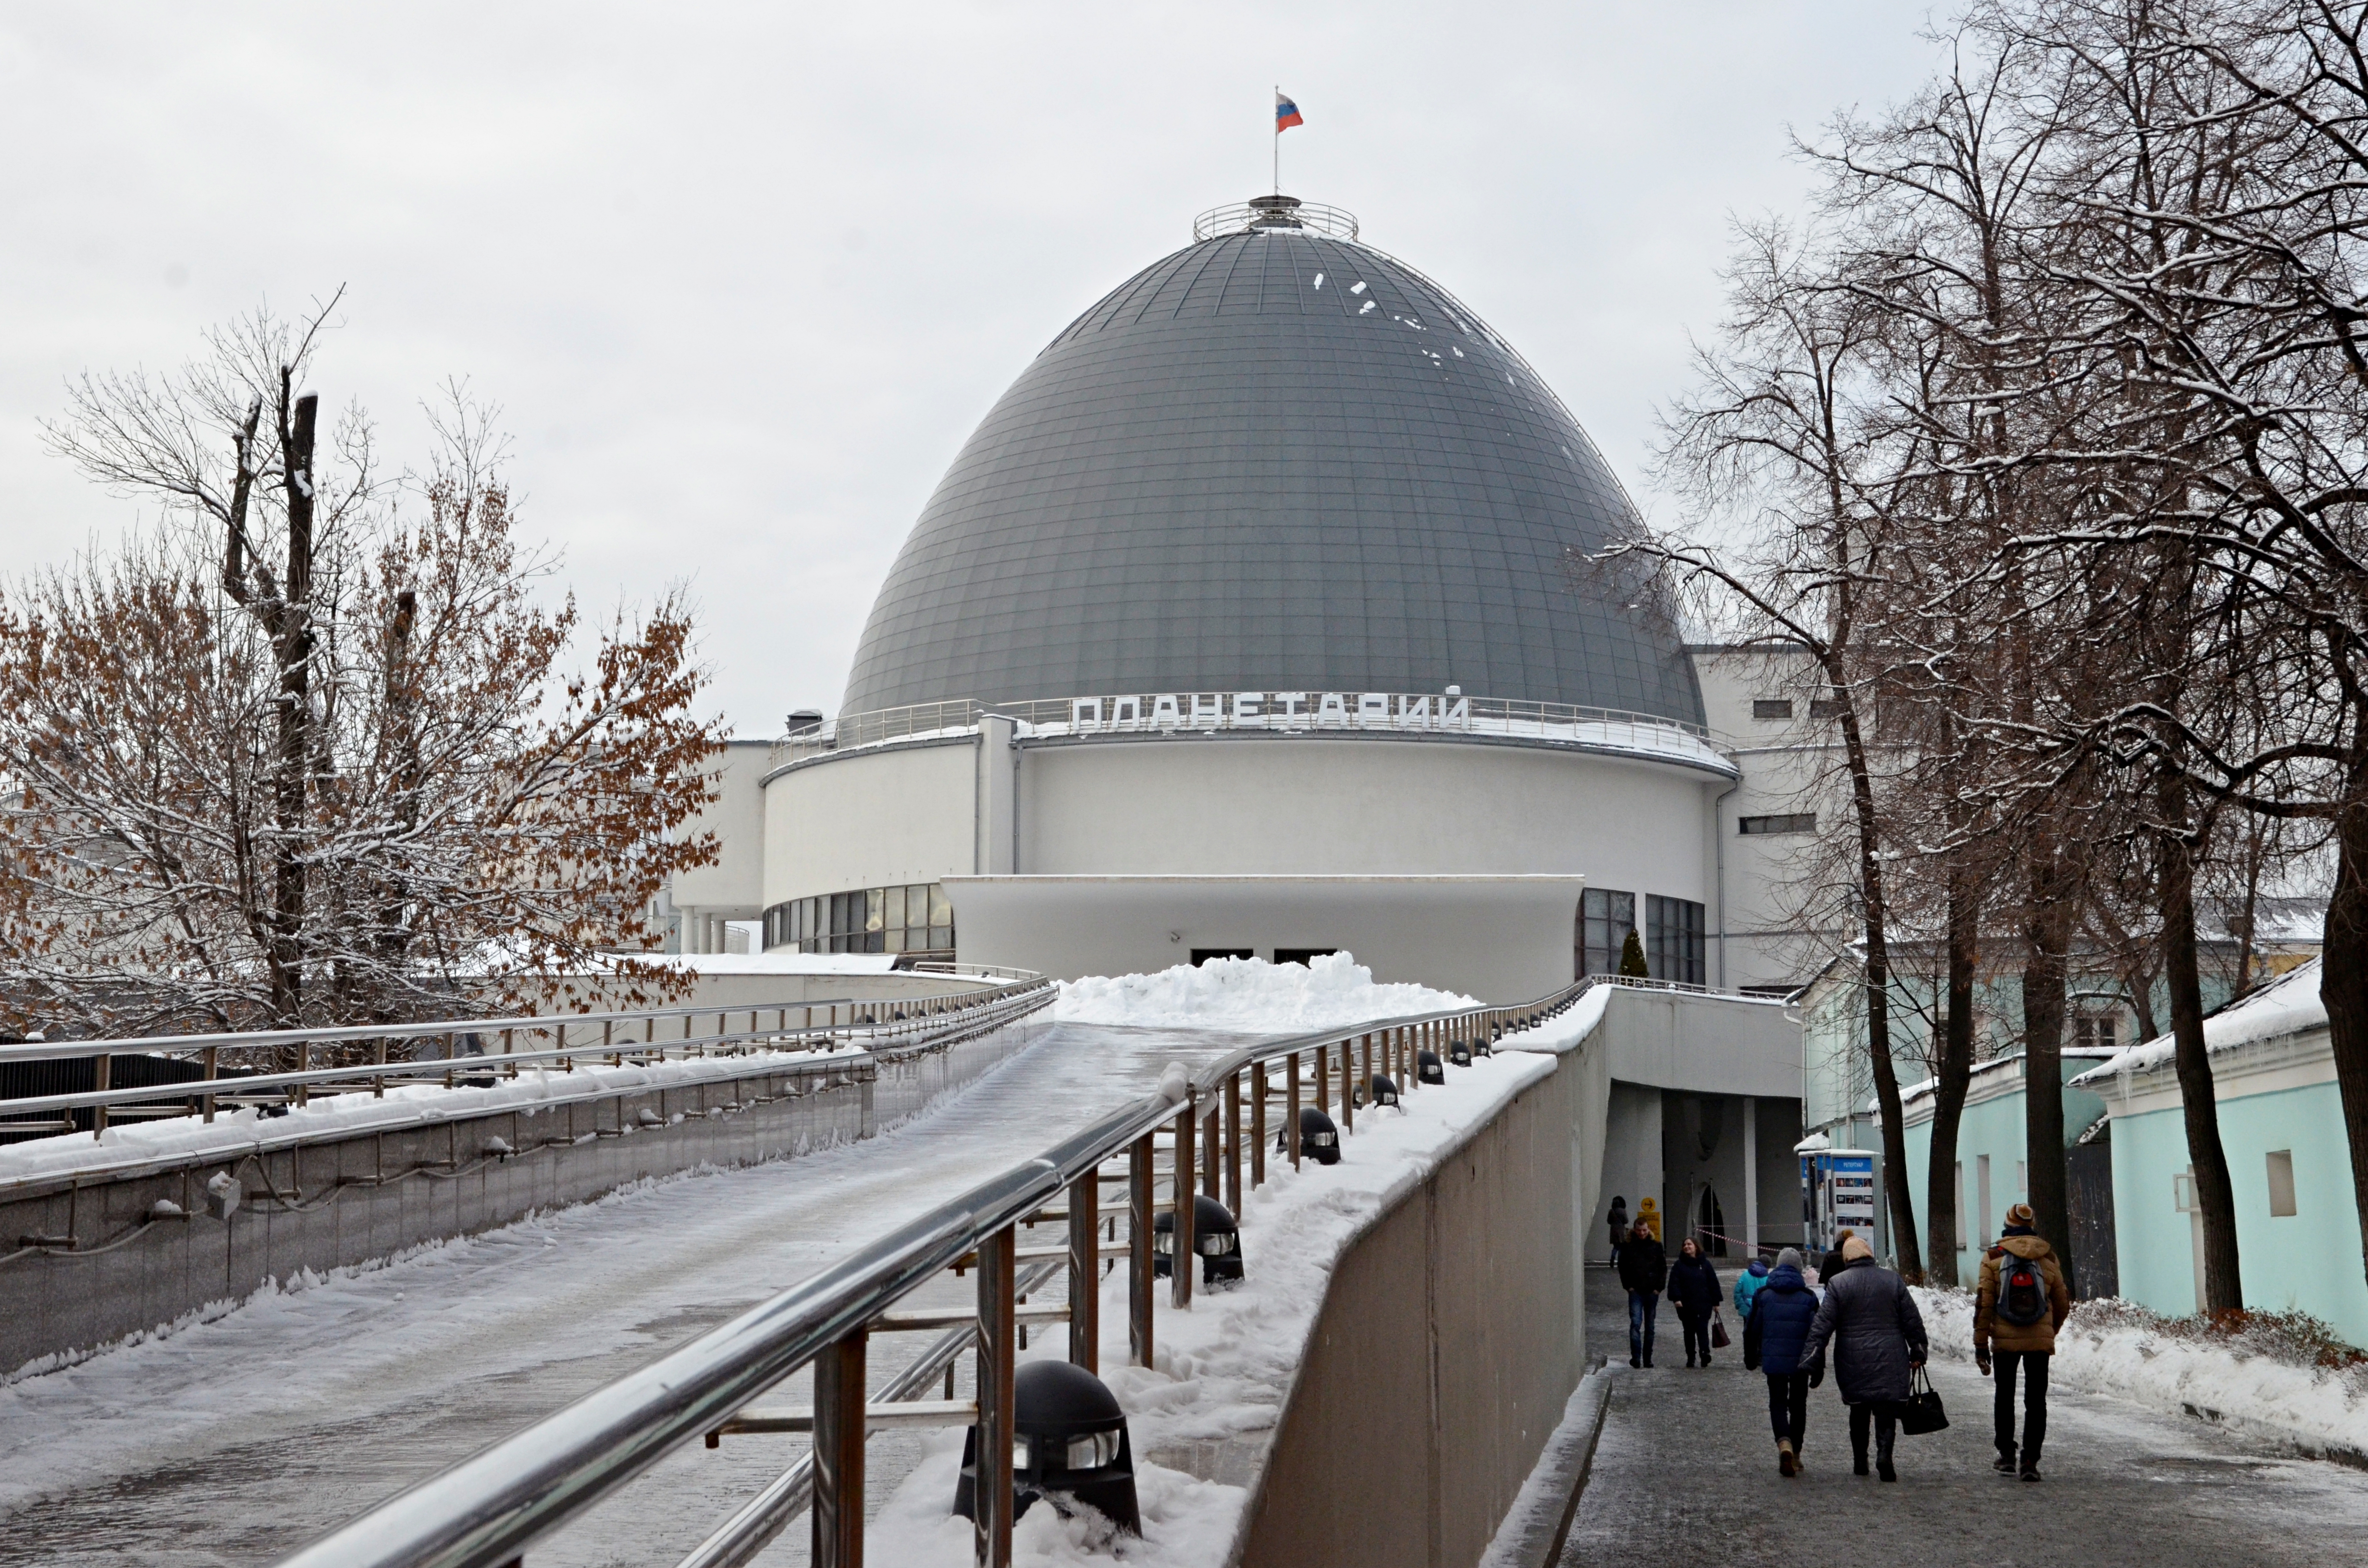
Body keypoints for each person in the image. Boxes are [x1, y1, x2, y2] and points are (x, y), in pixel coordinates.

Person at [1801, 1234, 1927, 1481]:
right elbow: (1912, 1320)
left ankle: (1861, 1461)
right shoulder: (1892, 1281)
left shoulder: (1838, 1284)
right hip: (1891, 1355)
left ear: (1848, 1258)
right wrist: (1919, 1349)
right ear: (1870, 1255)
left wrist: (1812, 1359)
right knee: (1886, 1408)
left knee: (1858, 1409)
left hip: (1852, 1356)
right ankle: (1885, 1455)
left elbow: (1822, 1326)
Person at [1974, 1201, 2073, 1482]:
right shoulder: (2048, 1256)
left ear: (2007, 1225)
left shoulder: (1994, 1256)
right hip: (2038, 1342)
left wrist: (1981, 1343)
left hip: (2005, 1340)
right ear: (2032, 1226)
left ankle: (2006, 1455)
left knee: (2005, 1396)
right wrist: (2048, 1331)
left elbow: (1984, 1304)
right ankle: (2030, 1460)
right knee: (2036, 1400)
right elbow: (2063, 1303)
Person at [1743, 1246, 1824, 1475]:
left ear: (1778, 1267)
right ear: (1799, 1270)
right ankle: (1796, 1453)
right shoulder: (1808, 1298)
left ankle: (1784, 1443)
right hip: (1801, 1363)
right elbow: (1817, 1335)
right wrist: (1818, 1367)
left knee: (1778, 1403)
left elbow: (1752, 1331)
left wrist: (1751, 1358)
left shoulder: (1763, 1295)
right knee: (1799, 1406)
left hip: (1774, 1360)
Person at [1616, 1216, 1668, 1368]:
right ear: (1635, 1230)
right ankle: (1637, 1358)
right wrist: (1628, 1286)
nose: (1642, 1233)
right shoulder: (1628, 1247)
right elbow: (1623, 1267)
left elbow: (1663, 1268)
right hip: (1636, 1291)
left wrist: (1659, 1288)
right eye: (1639, 1230)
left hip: (1652, 1291)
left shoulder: (1656, 1246)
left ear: (1648, 1229)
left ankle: (1647, 1359)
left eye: (1644, 1230)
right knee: (1636, 1324)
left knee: (1650, 1327)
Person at [1666, 1236, 1723, 1367]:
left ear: (1696, 1246)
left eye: (1690, 1244)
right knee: (1689, 1331)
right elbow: (1674, 1283)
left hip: (1704, 1303)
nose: (1687, 1247)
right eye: (1685, 1245)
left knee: (1702, 1329)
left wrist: (1716, 1302)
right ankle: (1691, 1356)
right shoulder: (1679, 1265)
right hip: (1686, 1304)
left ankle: (1705, 1353)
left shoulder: (1706, 1264)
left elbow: (1713, 1283)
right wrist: (1676, 1299)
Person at [1734, 1252, 1772, 1321]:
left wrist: (1739, 1305)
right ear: (1767, 1267)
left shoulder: (1745, 1274)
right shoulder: (1768, 1278)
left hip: (1746, 1308)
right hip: (1761, 1310)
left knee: (1747, 1329)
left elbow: (1737, 1291)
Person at [1607, 1195, 1629, 1268]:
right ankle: (1620, 1262)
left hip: (1613, 1231)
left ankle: (1612, 1259)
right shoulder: (1623, 1211)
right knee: (1621, 1247)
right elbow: (1626, 1221)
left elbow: (1609, 1221)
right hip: (1621, 1231)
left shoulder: (1611, 1211)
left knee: (1615, 1247)